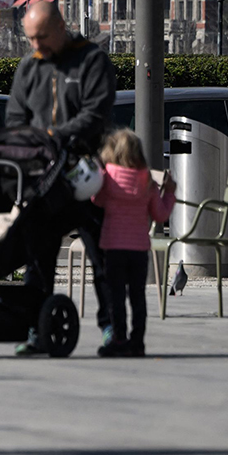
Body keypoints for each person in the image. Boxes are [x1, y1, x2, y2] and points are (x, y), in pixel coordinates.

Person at [4, 0, 116, 355]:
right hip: (43, 180)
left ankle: (113, 329)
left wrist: (54, 137)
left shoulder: (92, 61)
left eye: (42, 37)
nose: (37, 46)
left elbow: (95, 114)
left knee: (102, 258)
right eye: (30, 39)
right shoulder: (29, 67)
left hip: (86, 175)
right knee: (37, 260)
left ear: (60, 27)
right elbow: (15, 118)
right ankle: (38, 332)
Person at [90, 128, 174, 357]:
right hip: (139, 249)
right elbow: (160, 214)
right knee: (138, 296)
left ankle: (119, 339)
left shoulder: (107, 177)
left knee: (116, 296)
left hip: (113, 247)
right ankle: (138, 342)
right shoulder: (147, 179)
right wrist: (170, 194)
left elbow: (96, 200)